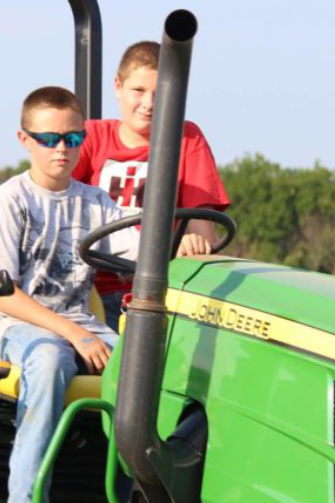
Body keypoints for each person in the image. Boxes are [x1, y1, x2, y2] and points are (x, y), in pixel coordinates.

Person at [0, 86, 201, 503]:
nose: (62, 149)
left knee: (144, 372)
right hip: (19, 328)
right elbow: (3, 294)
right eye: (50, 138)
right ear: (25, 138)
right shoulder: (11, 199)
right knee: (51, 359)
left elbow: (136, 252)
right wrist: (72, 332)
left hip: (79, 325)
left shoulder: (95, 203)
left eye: (73, 138)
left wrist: (182, 247)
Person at [73, 41, 230, 330]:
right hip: (92, 292)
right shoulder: (93, 136)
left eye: (160, 94)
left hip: (160, 292)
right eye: (139, 91)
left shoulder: (186, 139)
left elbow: (201, 234)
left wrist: (190, 241)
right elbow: (56, 198)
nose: (148, 104)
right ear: (118, 86)